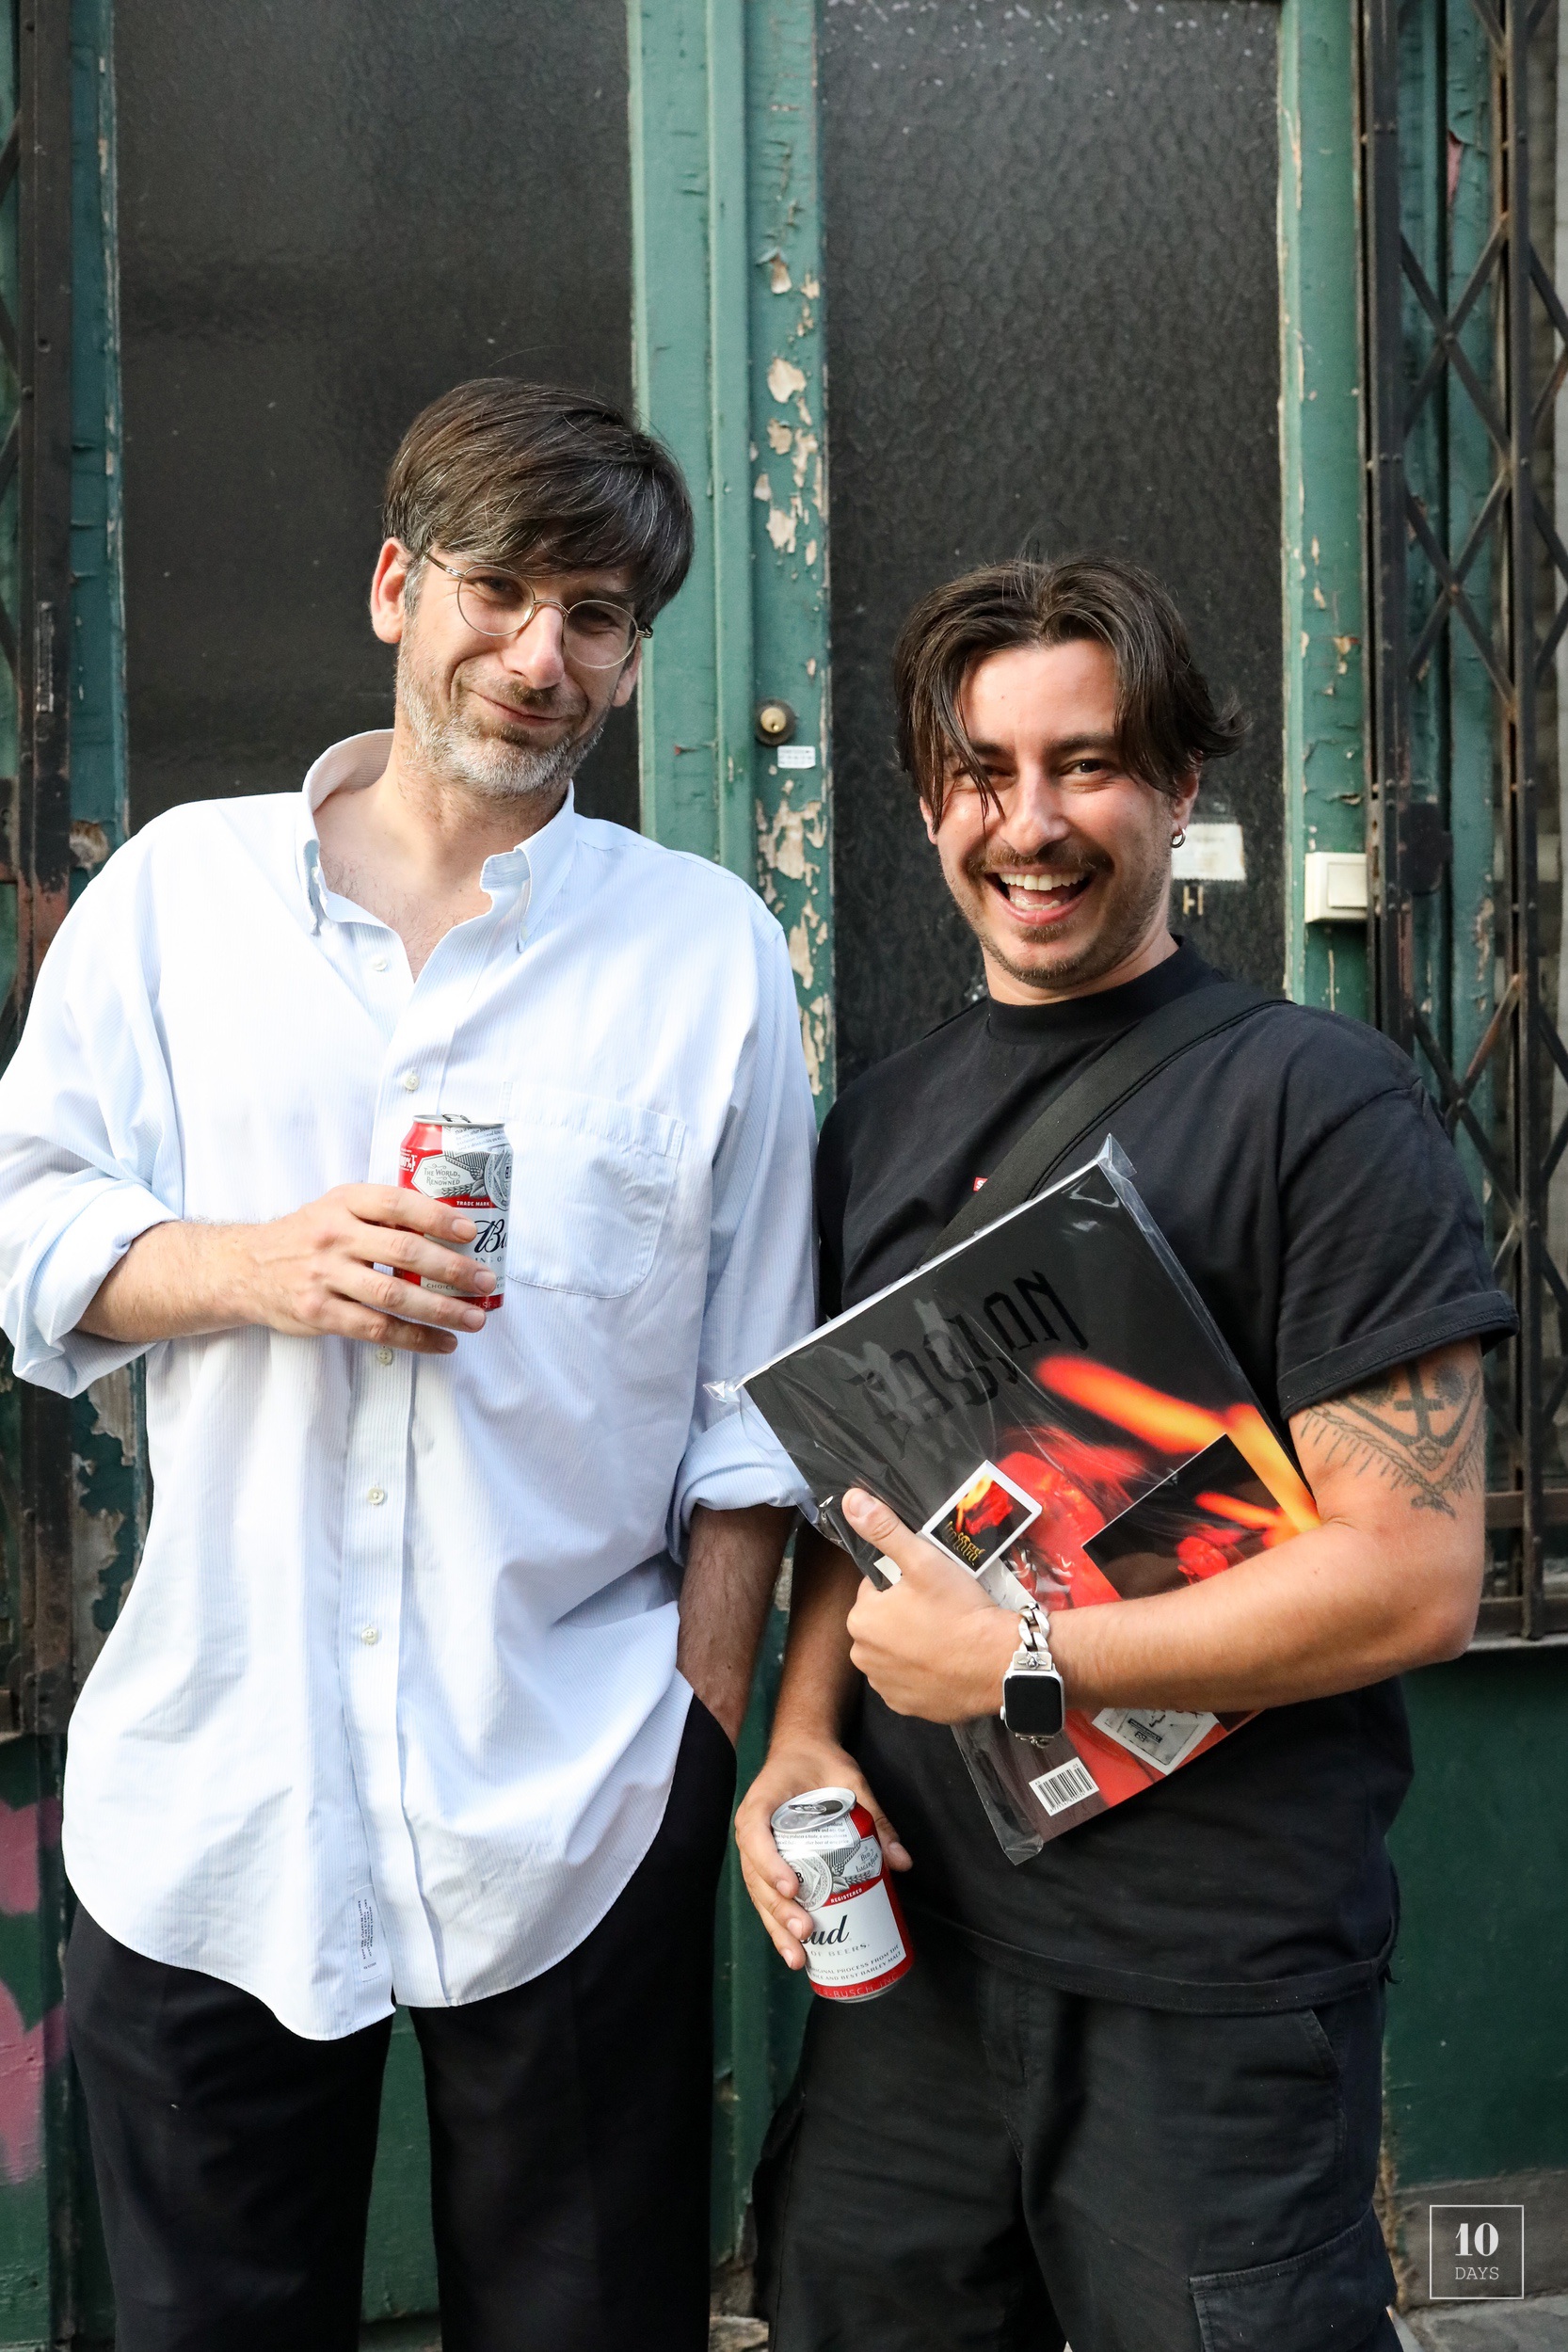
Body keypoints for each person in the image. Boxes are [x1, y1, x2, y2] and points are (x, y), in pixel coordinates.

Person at [0, 379, 817, 2352]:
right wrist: (247, 1262)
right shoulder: (177, 900)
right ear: (395, 586)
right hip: (217, 1789)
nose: (541, 655)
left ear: (632, 654)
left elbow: (756, 1397)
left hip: (574, 1793)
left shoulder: (705, 953)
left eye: (597, 616)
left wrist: (696, 1728)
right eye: (500, 589)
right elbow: (22, 1234)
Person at [736, 555, 1513, 2352]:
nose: (1029, 823)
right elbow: (861, 1502)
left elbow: (1411, 1580)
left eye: (1083, 765)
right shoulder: (876, 1123)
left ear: (1175, 786)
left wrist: (1022, 1660)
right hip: (910, 1968)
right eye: (980, 772)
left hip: (1208, 1990)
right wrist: (798, 1743)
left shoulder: (1319, 1103)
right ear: (928, 804)